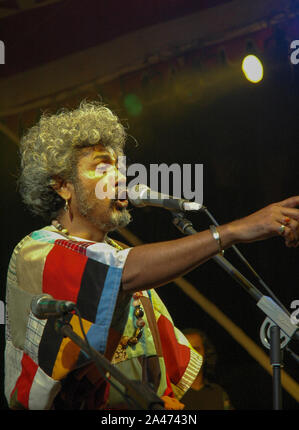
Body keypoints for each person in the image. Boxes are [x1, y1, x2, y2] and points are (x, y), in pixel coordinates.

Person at [4, 100, 299, 410]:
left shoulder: (129, 267)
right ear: (64, 186)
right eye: (103, 167)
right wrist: (233, 231)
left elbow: (164, 388)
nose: (119, 177)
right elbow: (117, 272)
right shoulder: (37, 250)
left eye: (119, 167)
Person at [180, 329, 233, 410]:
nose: (191, 354)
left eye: (196, 349)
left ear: (206, 353)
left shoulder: (218, 393)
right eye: (185, 349)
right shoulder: (170, 394)